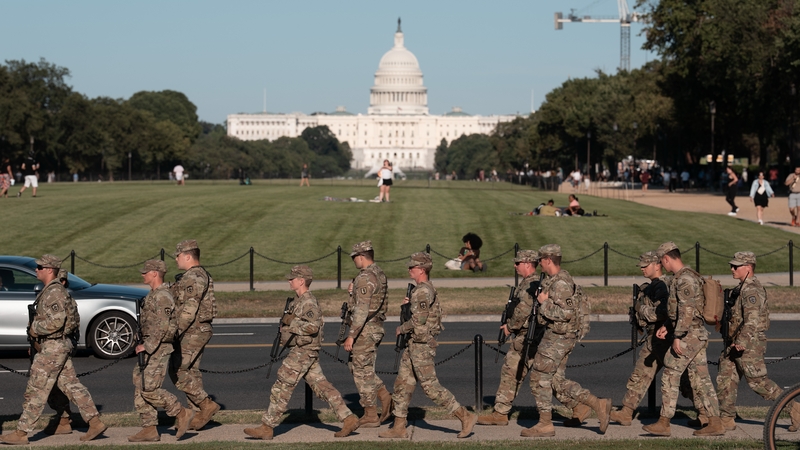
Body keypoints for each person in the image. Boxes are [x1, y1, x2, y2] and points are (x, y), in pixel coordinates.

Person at [0, 255, 107, 445]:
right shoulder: (51, 290)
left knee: (36, 389)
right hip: (55, 345)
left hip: (53, 346)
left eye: (40, 267)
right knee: (71, 386)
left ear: (50, 270)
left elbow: (57, 322)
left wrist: (35, 328)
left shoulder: (55, 292)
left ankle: (21, 432)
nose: (36, 269)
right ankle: (95, 421)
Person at [244, 266, 360, 440]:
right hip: (303, 351)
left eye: (293, 278)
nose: (289, 281)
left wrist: (292, 325)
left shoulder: (308, 302)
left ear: (302, 280)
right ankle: (349, 418)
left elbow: (313, 327)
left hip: (303, 351)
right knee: (323, 387)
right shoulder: (296, 301)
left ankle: (267, 426)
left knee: (282, 385)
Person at [380, 252, 477, 439]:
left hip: (422, 345)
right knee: (403, 383)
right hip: (414, 344)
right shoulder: (420, 290)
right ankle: (399, 426)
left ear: (422, 270)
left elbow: (419, 320)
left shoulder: (423, 291)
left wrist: (401, 328)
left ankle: (464, 416)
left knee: (430, 387)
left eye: (413, 267)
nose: (409, 269)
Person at [522, 244, 610, 437]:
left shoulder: (561, 284)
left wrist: (543, 304)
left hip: (558, 337)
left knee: (539, 377)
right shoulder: (554, 281)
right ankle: (595, 404)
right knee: (555, 380)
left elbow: (566, 313)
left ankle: (545, 423)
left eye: (541, 261)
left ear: (548, 260)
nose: (539, 265)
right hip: (560, 336)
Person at [643, 242, 725, 437]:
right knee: (701, 380)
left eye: (662, 262)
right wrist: (667, 326)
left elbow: (687, 311)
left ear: (666, 259)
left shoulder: (684, 280)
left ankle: (664, 422)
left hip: (689, 335)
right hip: (693, 333)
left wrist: (677, 336)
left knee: (670, 373)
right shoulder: (685, 276)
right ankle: (715, 422)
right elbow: (679, 311)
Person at [716, 252, 800, 431]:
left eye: (736, 266)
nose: (732, 269)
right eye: (732, 265)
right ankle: (726, 418)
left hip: (750, 343)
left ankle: (794, 409)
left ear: (748, 267)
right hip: (734, 342)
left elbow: (752, 320)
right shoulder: (742, 288)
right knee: (726, 376)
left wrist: (743, 341)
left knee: (758, 383)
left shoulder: (752, 290)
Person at [129, 260, 193, 442]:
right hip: (150, 346)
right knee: (139, 384)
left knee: (149, 388)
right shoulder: (153, 294)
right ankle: (149, 428)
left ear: (155, 273)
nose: (143, 275)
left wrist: (147, 346)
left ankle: (181, 412)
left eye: (145, 272)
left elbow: (163, 327)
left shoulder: (163, 296)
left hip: (158, 348)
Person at [477, 250, 543, 426]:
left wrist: (509, 327)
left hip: (528, 336)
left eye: (518, 263)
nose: (515, 266)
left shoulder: (532, 283)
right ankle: (582, 406)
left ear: (528, 264)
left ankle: (500, 413)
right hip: (529, 336)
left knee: (511, 370)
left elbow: (523, 309)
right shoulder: (528, 283)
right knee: (547, 378)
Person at [609, 251, 670, 425]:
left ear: (657, 265)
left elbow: (664, 311)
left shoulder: (661, 286)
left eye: (646, 265)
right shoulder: (653, 285)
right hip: (655, 339)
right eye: (641, 266)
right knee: (641, 373)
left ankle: (707, 415)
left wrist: (642, 311)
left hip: (664, 337)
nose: (642, 268)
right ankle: (626, 412)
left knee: (687, 381)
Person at [169, 239, 220, 431]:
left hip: (193, 330)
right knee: (191, 372)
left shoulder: (194, 276)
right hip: (197, 329)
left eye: (178, 255)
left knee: (177, 370)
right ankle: (196, 415)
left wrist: (174, 332)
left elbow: (189, 309)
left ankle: (206, 404)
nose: (176, 259)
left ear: (188, 256)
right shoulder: (194, 275)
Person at [343, 241, 392, 427]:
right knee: (360, 368)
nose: (353, 260)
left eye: (354, 257)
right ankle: (384, 398)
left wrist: (351, 335)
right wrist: (352, 292)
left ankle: (371, 413)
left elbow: (362, 310)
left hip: (366, 329)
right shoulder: (378, 273)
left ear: (361, 256)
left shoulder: (365, 278)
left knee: (361, 372)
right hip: (374, 327)